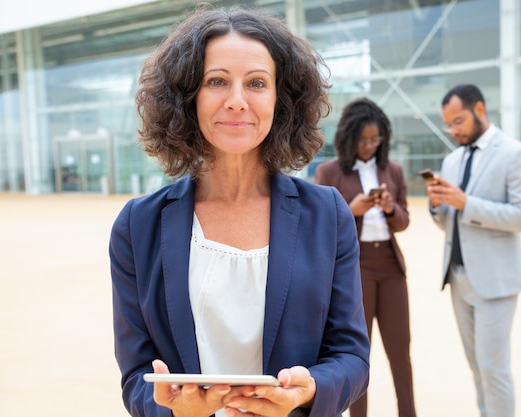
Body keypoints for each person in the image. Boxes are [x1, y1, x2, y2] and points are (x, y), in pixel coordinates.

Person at [109, 6, 370, 417]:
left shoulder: (328, 214)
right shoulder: (137, 225)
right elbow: (137, 376)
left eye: (256, 83)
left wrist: (307, 391)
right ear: (187, 96)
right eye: (216, 81)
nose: (236, 101)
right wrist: (177, 412)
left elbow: (351, 356)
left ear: (280, 100)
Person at [424, 84, 521, 417]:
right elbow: (450, 223)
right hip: (458, 279)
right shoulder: (452, 159)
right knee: (477, 366)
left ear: (480, 110)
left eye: (458, 121)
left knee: (494, 369)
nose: (453, 130)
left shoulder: (516, 154)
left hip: (496, 281)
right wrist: (438, 206)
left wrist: (466, 202)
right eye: (449, 124)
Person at [315, 98, 417, 417]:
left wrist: (389, 208)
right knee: (358, 355)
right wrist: (351, 208)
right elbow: (320, 227)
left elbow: (403, 222)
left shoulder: (394, 171)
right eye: (363, 140)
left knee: (400, 351)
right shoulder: (328, 172)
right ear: (349, 138)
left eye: (375, 139)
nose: (369, 146)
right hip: (353, 271)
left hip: (390, 267)